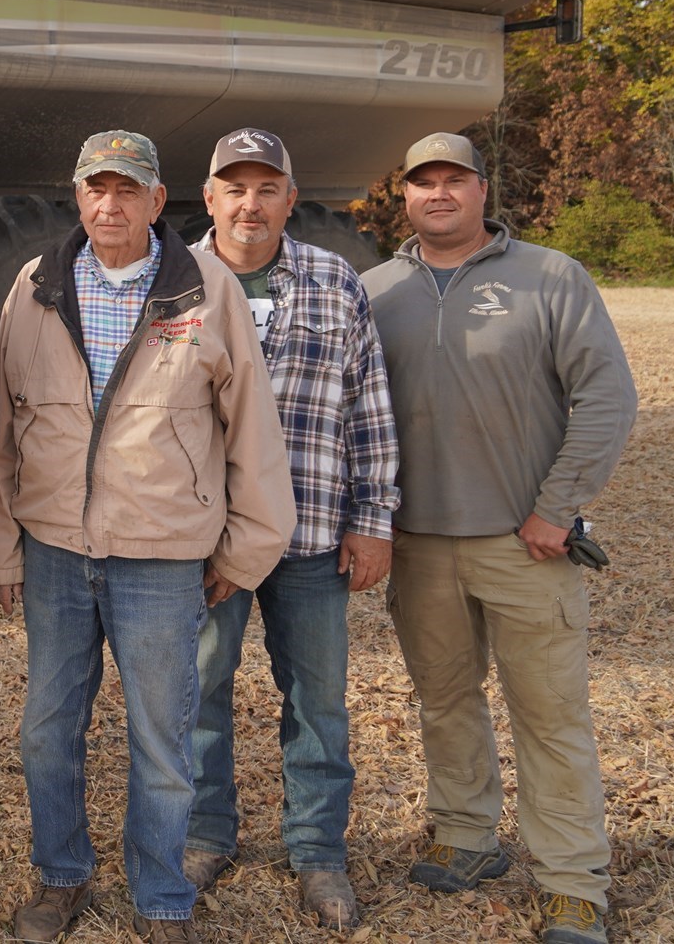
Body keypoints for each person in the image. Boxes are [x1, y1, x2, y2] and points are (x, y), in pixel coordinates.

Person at [0, 130, 295, 944]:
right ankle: (61, 874)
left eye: (127, 190)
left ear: (157, 200)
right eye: (94, 189)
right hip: (56, 551)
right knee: (47, 729)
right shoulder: (36, 284)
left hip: (163, 555)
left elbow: (252, 427)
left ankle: (162, 896)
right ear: (77, 197)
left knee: (162, 736)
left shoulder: (205, 287)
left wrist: (247, 547)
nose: (109, 205)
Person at [363, 132, 637, 944]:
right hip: (418, 541)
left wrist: (557, 507)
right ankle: (467, 834)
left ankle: (573, 879)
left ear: (483, 190)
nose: (439, 193)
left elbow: (607, 397)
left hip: (526, 544)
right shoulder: (375, 290)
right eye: (423, 182)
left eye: (455, 179)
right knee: (445, 699)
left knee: (549, 714)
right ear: (403, 198)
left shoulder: (552, 277)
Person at [185, 128, 402, 930]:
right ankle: (206, 834)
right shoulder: (176, 281)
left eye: (266, 187)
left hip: (311, 535)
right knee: (198, 692)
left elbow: (368, 403)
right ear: (208, 196)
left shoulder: (334, 278)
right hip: (207, 540)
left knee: (317, 701)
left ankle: (316, 851)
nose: (250, 203)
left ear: (288, 196)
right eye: (234, 187)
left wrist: (373, 519)